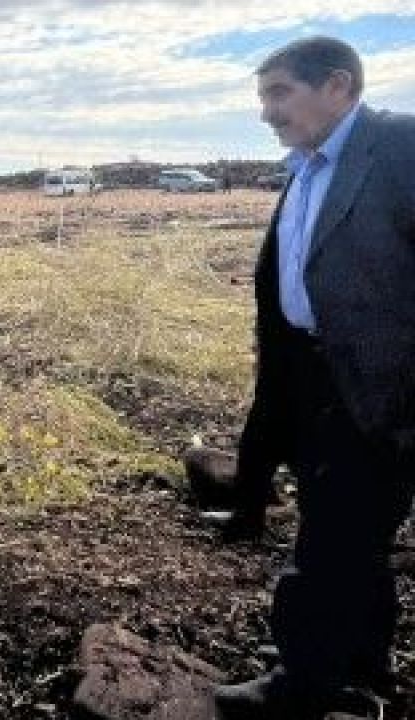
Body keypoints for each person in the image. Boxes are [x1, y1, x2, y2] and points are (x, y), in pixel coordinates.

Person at [212, 36, 415, 719]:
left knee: (328, 539)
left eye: (279, 94)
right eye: (262, 97)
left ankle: (304, 684)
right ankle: (360, 667)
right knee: (355, 535)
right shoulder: (304, 165)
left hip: (379, 388)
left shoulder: (400, 148)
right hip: (310, 378)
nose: (267, 113)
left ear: (337, 85)